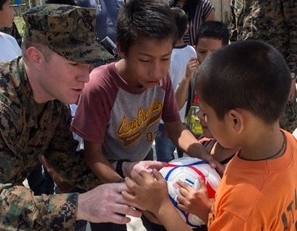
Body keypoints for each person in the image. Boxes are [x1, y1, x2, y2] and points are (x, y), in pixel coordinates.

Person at [0, 4, 147, 230]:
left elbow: (67, 161)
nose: (86, 77)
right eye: (74, 63)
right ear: (35, 57)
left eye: (89, 63)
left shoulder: (53, 99)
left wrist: (125, 175)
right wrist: (80, 206)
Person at [71, 0, 222, 230]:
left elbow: (175, 127)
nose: (157, 71)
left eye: (165, 59)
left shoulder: (161, 80)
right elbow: (92, 156)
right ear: (121, 49)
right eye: (145, 60)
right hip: (107, 178)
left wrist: (204, 155)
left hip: (142, 168)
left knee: (160, 218)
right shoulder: (99, 87)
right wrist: (128, 187)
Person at [123, 40, 297, 231]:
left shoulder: (243, 204)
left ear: (235, 121)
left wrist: (162, 206)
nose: (199, 116)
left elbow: (242, 217)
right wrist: (208, 211)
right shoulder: (289, 142)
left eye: (205, 113)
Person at [230, 0, 297, 133]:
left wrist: (291, 74)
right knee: (250, 126)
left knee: (282, 127)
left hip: (276, 74)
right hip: (246, 75)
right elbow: (234, 33)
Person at [155, 7, 197, 162]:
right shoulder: (192, 52)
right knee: (185, 156)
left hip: (165, 120)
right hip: (185, 117)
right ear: (186, 29)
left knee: (164, 161)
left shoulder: (165, 57)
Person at [175, 21, 229, 138]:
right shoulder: (193, 77)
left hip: (221, 142)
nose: (207, 57)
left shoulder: (231, 79)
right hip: (195, 142)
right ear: (195, 49)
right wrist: (186, 78)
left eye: (214, 52)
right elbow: (175, 107)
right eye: (202, 52)